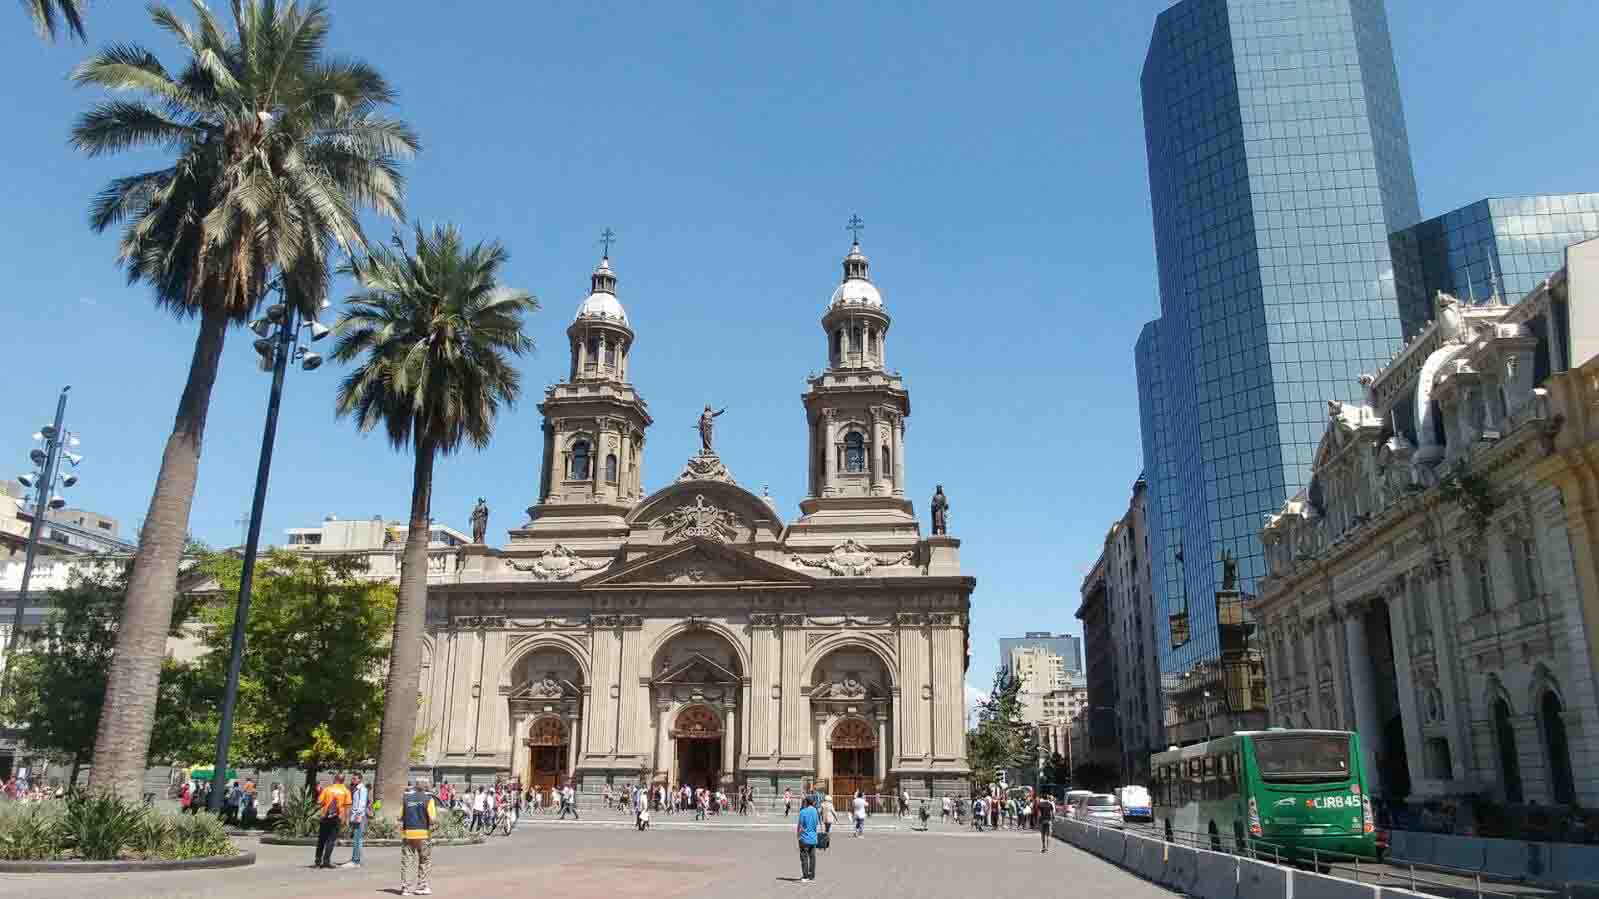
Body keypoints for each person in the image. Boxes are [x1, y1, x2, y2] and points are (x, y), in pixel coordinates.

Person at [399, 777, 437, 896]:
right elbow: (432, 819)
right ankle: (421, 886)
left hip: (408, 833)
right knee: (424, 860)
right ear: (426, 786)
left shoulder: (406, 798)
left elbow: (400, 816)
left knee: (407, 861)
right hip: (423, 834)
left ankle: (406, 888)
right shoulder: (428, 799)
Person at [314, 774, 351, 869]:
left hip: (325, 816)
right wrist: (346, 820)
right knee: (331, 840)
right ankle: (326, 861)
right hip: (337, 817)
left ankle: (318, 860)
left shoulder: (327, 789)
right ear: (343, 780)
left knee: (322, 839)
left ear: (335, 779)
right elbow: (347, 806)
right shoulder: (346, 791)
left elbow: (319, 802)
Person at [341, 773, 368, 868]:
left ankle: (355, 861)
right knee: (357, 838)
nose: (353, 780)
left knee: (357, 839)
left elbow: (362, 803)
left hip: (359, 816)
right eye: (352, 778)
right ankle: (355, 859)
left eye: (355, 778)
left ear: (360, 779)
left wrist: (358, 815)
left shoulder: (362, 789)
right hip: (356, 816)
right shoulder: (356, 789)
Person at [796, 795, 819, 883]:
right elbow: (816, 823)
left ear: (806, 802)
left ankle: (805, 876)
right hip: (813, 837)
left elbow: (800, 825)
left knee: (804, 857)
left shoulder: (803, 812)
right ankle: (811, 875)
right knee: (812, 857)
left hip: (804, 837)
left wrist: (798, 835)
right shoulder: (815, 811)